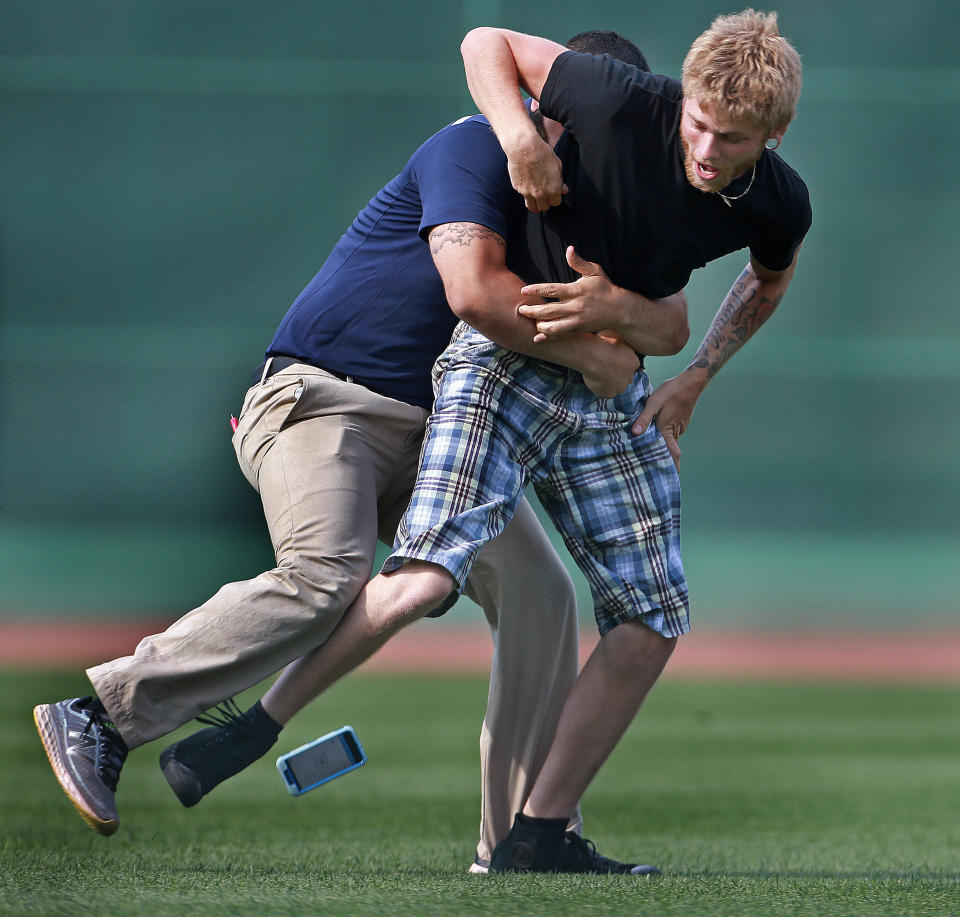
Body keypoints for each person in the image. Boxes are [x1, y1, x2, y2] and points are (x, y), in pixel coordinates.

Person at [142, 9, 811, 876]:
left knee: (653, 614)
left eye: (734, 138)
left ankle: (537, 831)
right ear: (680, 96)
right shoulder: (614, 99)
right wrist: (520, 141)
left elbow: (766, 275)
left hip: (609, 387)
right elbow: (482, 41)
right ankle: (250, 727)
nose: (709, 148)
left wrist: (694, 379)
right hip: (504, 362)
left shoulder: (779, 196)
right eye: (699, 123)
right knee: (423, 577)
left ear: (776, 134)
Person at [32, 32, 688, 874]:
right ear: (555, 104)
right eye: (603, 118)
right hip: (320, 400)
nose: (616, 141)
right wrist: (599, 350)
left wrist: (633, 329)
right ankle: (103, 714)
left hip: (434, 430)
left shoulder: (592, 205)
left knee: (542, 593)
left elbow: (666, 319)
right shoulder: (477, 145)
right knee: (325, 571)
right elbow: (472, 293)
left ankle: (528, 836)